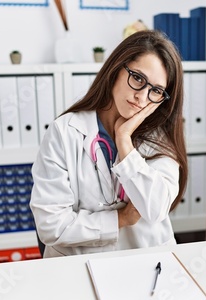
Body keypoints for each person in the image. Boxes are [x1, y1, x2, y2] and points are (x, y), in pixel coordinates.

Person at [30, 30, 188, 257]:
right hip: (77, 266)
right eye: (138, 79)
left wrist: (125, 143)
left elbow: (154, 209)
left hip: (146, 266)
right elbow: (51, 225)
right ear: (116, 69)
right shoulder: (65, 132)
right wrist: (120, 219)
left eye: (155, 91)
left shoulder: (160, 140)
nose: (141, 97)